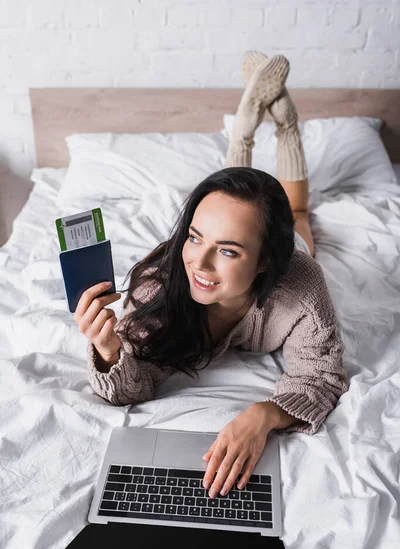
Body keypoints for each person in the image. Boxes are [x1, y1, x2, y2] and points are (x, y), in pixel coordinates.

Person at [75, 52, 348, 500]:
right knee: (236, 199)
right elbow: (132, 384)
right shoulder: (158, 284)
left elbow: (320, 377)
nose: (198, 265)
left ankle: (286, 125)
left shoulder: (301, 287)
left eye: (227, 251)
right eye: (195, 237)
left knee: (298, 213)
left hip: (289, 243)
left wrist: (263, 414)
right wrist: (108, 350)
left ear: (263, 263)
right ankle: (242, 133)